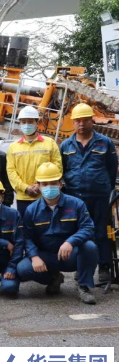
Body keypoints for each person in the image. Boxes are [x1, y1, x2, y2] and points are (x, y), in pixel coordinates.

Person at [16, 162, 98, 305]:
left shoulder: (76, 204)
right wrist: (34, 257)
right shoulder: (31, 210)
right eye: (45, 184)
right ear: (38, 186)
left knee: (90, 247)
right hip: (46, 255)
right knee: (23, 269)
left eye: (53, 183)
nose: (49, 187)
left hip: (70, 255)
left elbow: (88, 228)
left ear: (60, 184)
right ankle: (54, 278)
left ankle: (83, 285)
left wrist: (70, 242)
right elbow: (27, 237)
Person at [60, 103, 118, 283]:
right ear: (73, 123)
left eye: (85, 120)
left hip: (99, 196)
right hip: (75, 198)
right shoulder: (65, 145)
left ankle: (104, 267)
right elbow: (62, 169)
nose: (81, 124)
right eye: (78, 121)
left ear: (92, 121)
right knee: (78, 233)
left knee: (101, 232)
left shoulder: (105, 143)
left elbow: (111, 168)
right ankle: (82, 268)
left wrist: (105, 188)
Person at [6, 105, 62, 217]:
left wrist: (40, 185)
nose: (27, 125)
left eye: (30, 121)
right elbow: (11, 172)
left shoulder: (49, 143)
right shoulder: (13, 147)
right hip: (23, 197)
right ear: (20, 124)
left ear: (37, 123)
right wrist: (25, 188)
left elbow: (57, 166)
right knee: (26, 229)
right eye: (23, 122)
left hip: (46, 195)